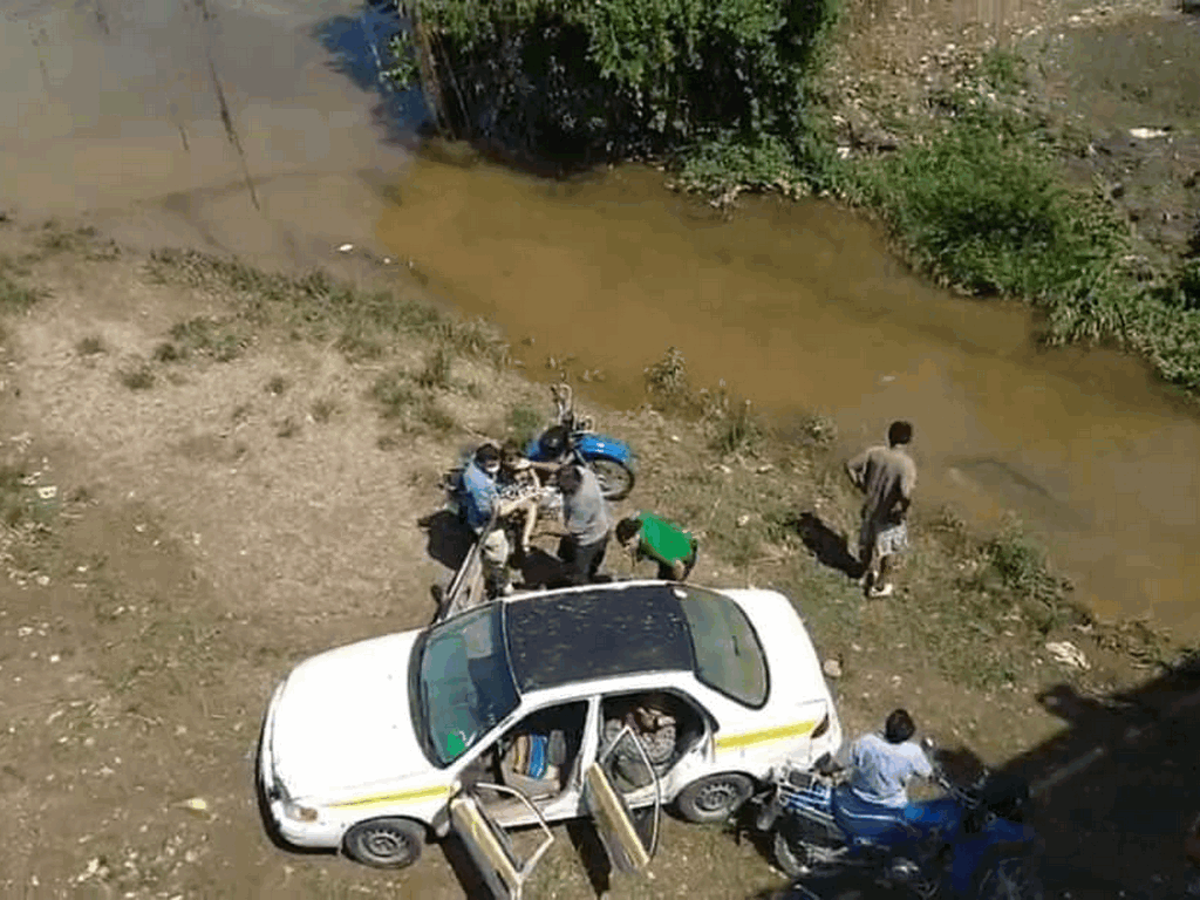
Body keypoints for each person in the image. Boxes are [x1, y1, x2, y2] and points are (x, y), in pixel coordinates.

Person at [846, 420, 917, 599]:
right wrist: (904, 510)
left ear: (889, 436)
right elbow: (905, 493)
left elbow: (850, 466)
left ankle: (864, 574)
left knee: (868, 544)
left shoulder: (874, 453)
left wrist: (860, 485)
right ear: (908, 440)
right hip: (889, 515)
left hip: (871, 507)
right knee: (889, 551)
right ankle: (879, 586)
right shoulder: (906, 464)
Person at [838, 708, 934, 836]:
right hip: (893, 805)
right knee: (926, 817)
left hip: (858, 796)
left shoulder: (866, 741)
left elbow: (841, 763)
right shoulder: (913, 753)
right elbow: (928, 774)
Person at [461, 442, 531, 598]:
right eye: (491, 465)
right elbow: (494, 513)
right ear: (481, 463)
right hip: (485, 523)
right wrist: (519, 501)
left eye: (496, 462)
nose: (495, 467)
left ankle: (497, 572)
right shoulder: (478, 484)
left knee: (501, 547)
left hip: (488, 507)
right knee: (498, 555)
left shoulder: (477, 462)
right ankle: (502, 585)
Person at [556, 463, 611, 586]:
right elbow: (558, 468)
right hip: (602, 526)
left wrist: (543, 532)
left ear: (575, 484)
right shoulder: (585, 474)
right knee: (588, 562)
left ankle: (585, 588)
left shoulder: (582, 501)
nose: (560, 490)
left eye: (564, 488)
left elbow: (572, 530)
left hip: (588, 540)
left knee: (579, 575)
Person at [615, 512, 698, 581]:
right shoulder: (642, 518)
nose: (626, 549)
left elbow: (678, 566)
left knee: (666, 583)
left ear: (636, 536)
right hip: (683, 537)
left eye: (628, 544)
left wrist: (677, 583)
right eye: (623, 545)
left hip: (686, 553)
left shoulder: (649, 546)